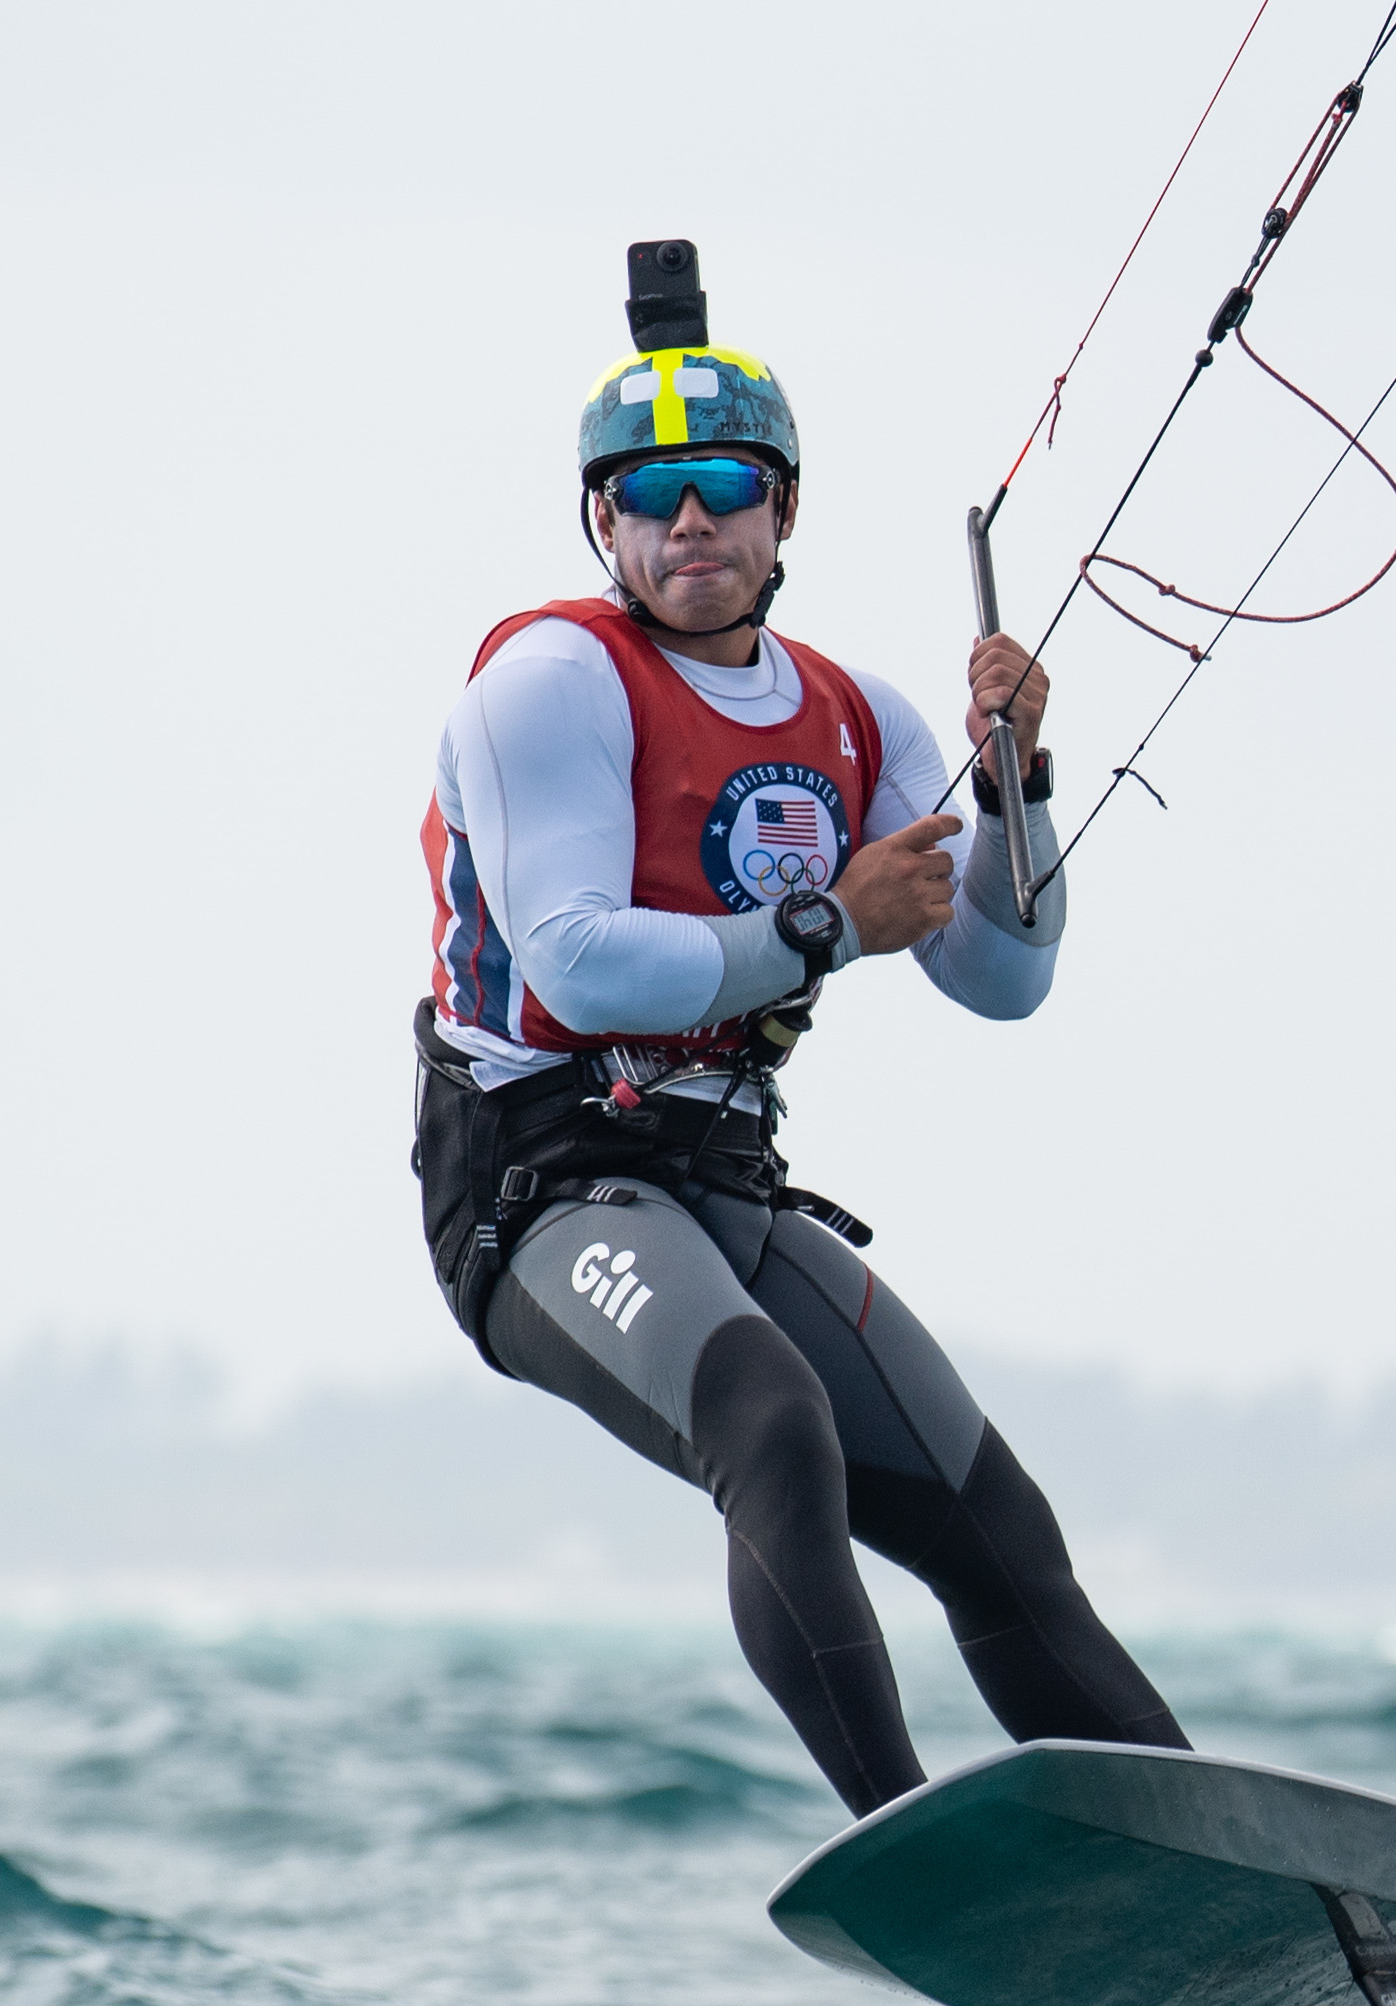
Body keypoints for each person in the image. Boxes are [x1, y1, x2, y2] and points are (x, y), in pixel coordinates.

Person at [411, 246, 1187, 1817]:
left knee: (995, 1525)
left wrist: (1012, 789)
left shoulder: (859, 717)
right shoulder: (551, 682)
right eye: (644, 493)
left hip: (726, 1182)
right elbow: (573, 968)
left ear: (782, 511)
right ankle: (903, 1828)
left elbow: (998, 976)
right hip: (541, 1188)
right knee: (766, 1415)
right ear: (603, 526)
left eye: (720, 484)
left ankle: (1215, 1856)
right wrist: (826, 921)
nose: (685, 517)